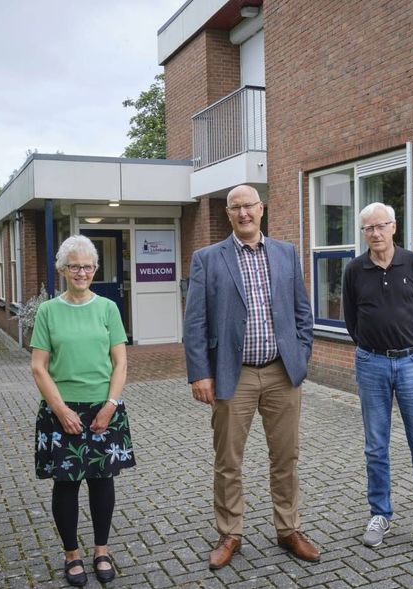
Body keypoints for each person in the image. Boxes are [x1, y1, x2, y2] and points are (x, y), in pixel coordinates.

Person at [183, 184, 320, 569]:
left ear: (262, 209)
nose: (244, 213)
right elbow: (194, 321)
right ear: (228, 214)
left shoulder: (285, 253)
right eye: (236, 207)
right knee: (228, 459)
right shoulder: (208, 259)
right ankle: (230, 533)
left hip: (282, 374)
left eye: (250, 206)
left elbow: (302, 314)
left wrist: (300, 357)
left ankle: (288, 528)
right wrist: (199, 373)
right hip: (232, 375)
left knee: (286, 457)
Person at [341, 202, 413, 556]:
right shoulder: (354, 270)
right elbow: (351, 319)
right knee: (376, 446)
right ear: (364, 233)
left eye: (380, 226)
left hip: (412, 364)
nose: (375, 233)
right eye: (368, 228)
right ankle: (380, 514)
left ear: (393, 227)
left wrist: (412, 349)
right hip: (371, 364)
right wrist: (373, 348)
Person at [31, 235, 134, 586]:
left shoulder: (107, 308)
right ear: (62, 269)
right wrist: (60, 410)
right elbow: (39, 367)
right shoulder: (48, 311)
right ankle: (72, 554)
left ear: (95, 269)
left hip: (104, 408)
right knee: (66, 485)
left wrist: (110, 405)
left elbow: (120, 363)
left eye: (88, 266)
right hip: (62, 411)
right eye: (74, 266)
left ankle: (101, 550)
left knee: (102, 482)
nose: (82, 272)